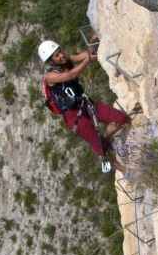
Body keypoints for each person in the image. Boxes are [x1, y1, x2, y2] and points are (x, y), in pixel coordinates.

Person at [38, 38, 130, 172]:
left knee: (120, 118)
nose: (62, 55)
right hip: (72, 115)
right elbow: (71, 74)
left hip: (84, 103)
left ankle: (104, 140)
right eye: (57, 55)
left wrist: (92, 41)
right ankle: (123, 170)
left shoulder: (67, 61)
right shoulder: (50, 76)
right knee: (98, 146)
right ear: (50, 61)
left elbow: (85, 54)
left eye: (60, 52)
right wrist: (86, 62)